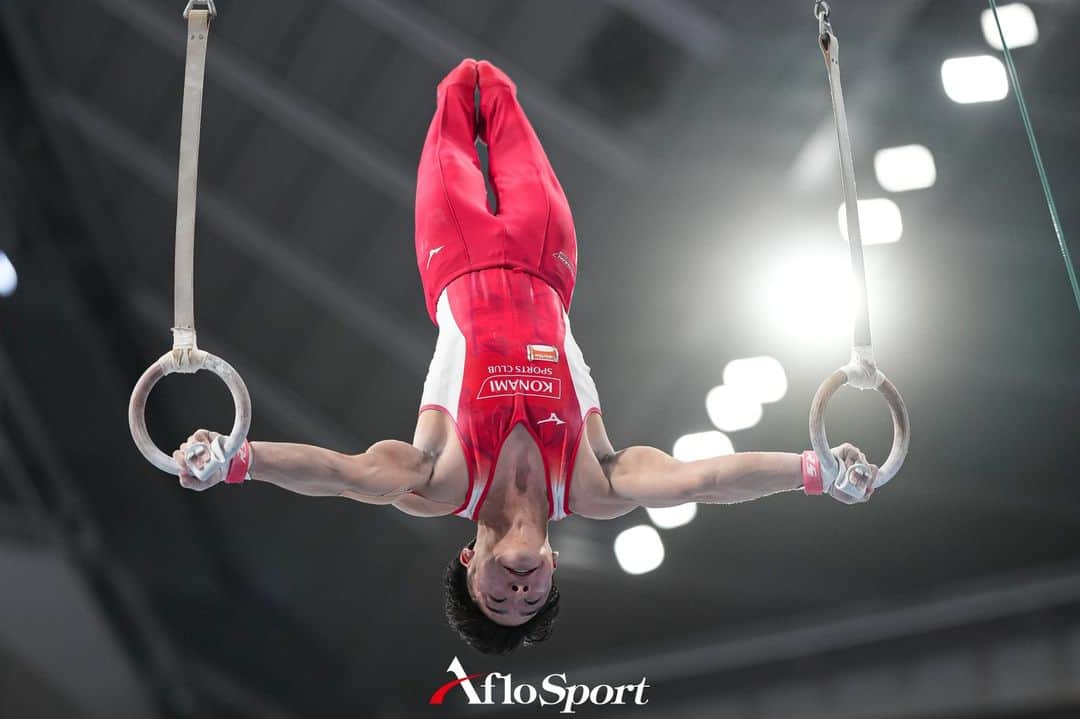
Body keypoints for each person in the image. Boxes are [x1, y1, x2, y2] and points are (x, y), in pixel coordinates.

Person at [173, 59, 879, 655]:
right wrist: (814, 470)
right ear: (553, 569)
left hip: (455, 257)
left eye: (497, 596)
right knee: (501, 94)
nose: (517, 589)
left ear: (468, 562)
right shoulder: (594, 486)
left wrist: (237, 457)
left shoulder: (441, 486)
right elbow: (706, 479)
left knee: (460, 91)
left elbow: (342, 473)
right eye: (529, 597)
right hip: (549, 260)